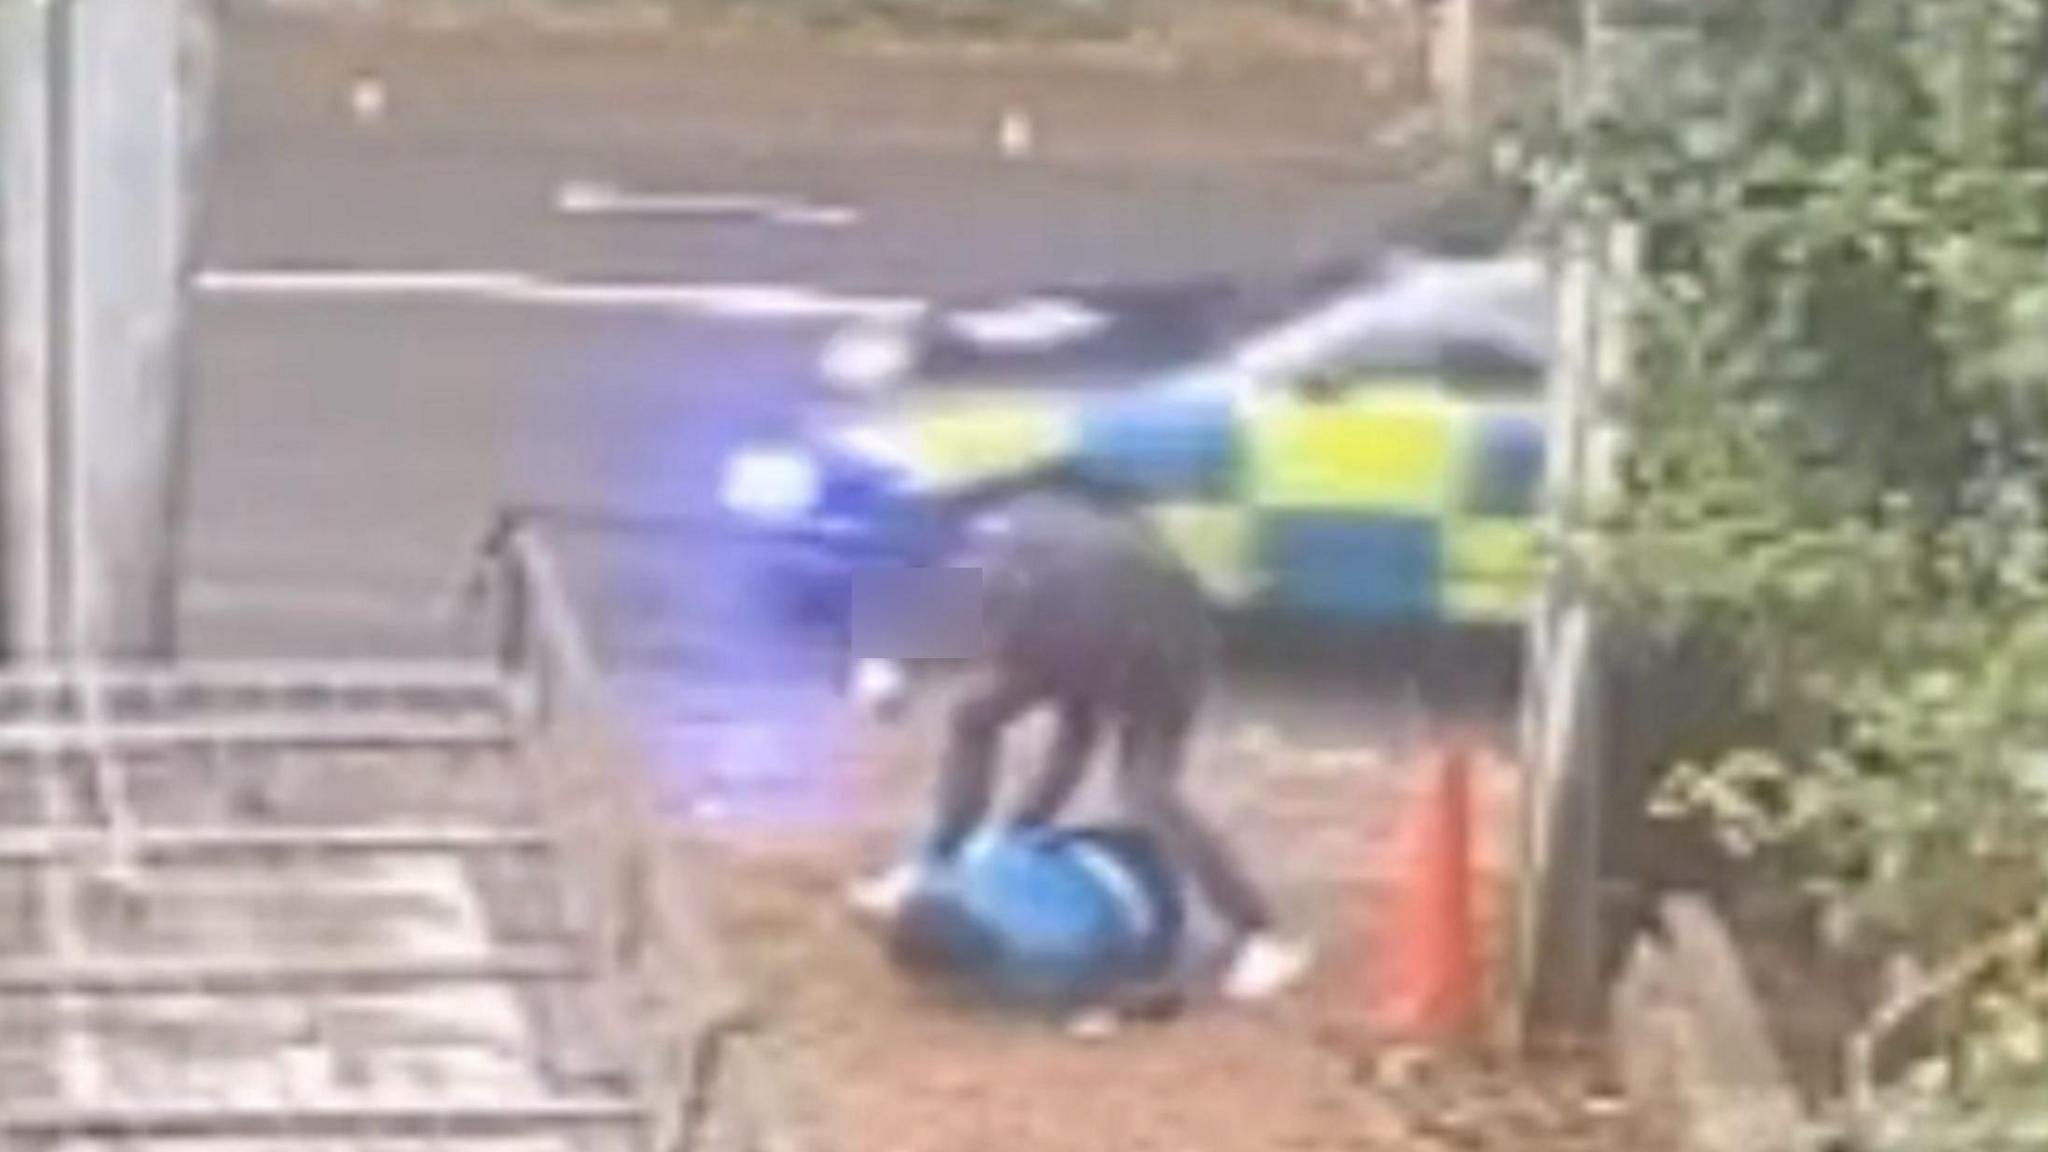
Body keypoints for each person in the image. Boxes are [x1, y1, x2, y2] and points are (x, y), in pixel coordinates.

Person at [848, 488, 1313, 1003]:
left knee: (1147, 788)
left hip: (1158, 645)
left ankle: (1260, 934)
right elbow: (1040, 698)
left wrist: (1018, 830)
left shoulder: (1021, 594)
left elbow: (1076, 733)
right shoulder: (1007, 547)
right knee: (976, 718)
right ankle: (938, 862)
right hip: (1127, 608)